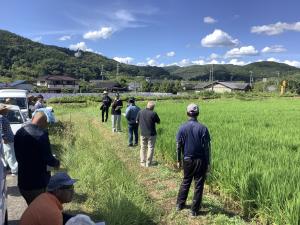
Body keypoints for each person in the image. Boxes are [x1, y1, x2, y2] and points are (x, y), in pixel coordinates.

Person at [14, 110, 60, 204]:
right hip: (38, 183)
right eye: (47, 124)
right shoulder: (41, 135)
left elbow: (18, 155)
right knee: (41, 211)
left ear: (33, 118)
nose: (47, 126)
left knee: (31, 208)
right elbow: (49, 159)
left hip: (23, 182)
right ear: (44, 122)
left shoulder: (19, 132)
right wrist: (57, 163)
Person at [175, 103, 211, 217]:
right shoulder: (203, 128)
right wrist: (208, 162)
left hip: (187, 160)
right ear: (198, 113)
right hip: (200, 160)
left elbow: (178, 145)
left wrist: (178, 160)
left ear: (187, 113)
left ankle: (179, 205)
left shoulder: (182, 128)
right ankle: (194, 210)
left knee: (186, 181)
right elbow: (207, 148)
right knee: (199, 184)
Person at [136, 101, 160, 167]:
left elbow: (136, 121)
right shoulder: (153, 113)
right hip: (152, 134)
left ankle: (142, 162)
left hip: (143, 133)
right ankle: (148, 163)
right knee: (151, 147)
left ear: (147, 105)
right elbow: (158, 121)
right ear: (153, 107)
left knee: (143, 147)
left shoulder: (140, 112)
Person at [0, 104, 18, 175]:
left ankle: (8, 168)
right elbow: (0, 129)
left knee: (8, 154)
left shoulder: (3, 117)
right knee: (10, 155)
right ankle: (14, 170)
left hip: (8, 138)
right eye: (6, 109)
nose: (8, 110)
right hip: (7, 139)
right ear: (2, 110)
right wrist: (4, 137)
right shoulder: (1, 117)